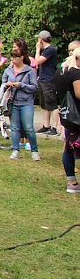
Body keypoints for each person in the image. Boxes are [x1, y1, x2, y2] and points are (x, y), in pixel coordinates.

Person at [3, 48, 40, 161]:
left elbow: (35, 87)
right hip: (13, 102)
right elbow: (3, 84)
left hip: (26, 102)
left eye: (15, 56)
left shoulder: (30, 71)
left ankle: (34, 151)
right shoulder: (8, 70)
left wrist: (21, 85)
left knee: (29, 128)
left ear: (22, 58)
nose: (13, 59)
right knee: (14, 128)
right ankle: (15, 150)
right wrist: (7, 85)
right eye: (12, 56)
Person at [55, 44, 80, 193]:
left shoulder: (61, 71)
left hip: (67, 115)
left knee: (68, 148)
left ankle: (71, 182)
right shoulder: (76, 73)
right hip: (77, 115)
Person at [34, 30, 59, 135]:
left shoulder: (50, 50)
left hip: (49, 80)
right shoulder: (46, 51)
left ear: (41, 39)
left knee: (52, 104)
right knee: (44, 104)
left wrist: (37, 49)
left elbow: (37, 61)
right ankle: (46, 125)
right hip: (43, 79)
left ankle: (56, 127)